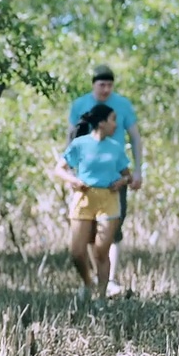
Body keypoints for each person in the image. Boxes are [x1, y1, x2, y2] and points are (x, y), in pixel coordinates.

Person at [67, 64, 144, 295]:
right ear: (93, 84)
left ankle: (109, 280)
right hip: (86, 181)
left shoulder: (122, 105)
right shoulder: (80, 105)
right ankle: (90, 282)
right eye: (102, 85)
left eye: (110, 85)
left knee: (111, 229)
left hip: (114, 176)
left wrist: (138, 170)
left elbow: (136, 137)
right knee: (87, 234)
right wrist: (70, 175)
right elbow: (70, 137)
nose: (106, 89)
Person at [53, 103, 132, 302]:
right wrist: (74, 180)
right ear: (102, 122)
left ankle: (102, 296)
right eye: (113, 120)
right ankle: (88, 284)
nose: (116, 124)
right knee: (77, 251)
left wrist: (121, 182)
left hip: (109, 200)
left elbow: (128, 176)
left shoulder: (115, 148)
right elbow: (59, 169)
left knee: (100, 250)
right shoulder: (80, 144)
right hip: (84, 198)